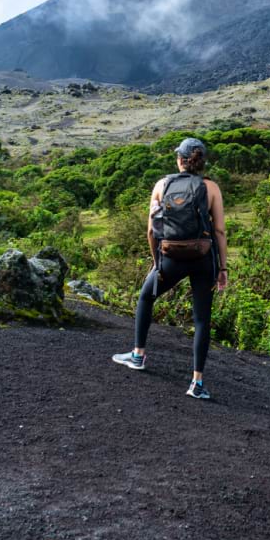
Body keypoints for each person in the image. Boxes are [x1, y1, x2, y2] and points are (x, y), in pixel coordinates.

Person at [113, 138, 229, 398]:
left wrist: (157, 263)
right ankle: (197, 383)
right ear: (201, 161)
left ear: (180, 160)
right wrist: (223, 268)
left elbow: (152, 229)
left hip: (170, 257)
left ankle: (138, 355)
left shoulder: (162, 185)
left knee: (146, 297)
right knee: (202, 319)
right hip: (203, 258)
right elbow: (219, 230)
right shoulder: (211, 187)